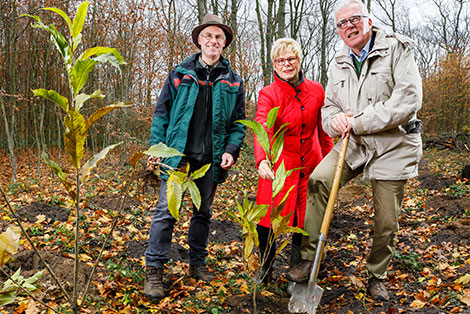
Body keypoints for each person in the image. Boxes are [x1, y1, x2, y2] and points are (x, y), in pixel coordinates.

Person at [286, 0, 422, 302]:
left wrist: (357, 122)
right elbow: (330, 107)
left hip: (393, 144)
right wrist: (333, 120)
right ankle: (310, 259)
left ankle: (376, 275)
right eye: (342, 23)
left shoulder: (398, 49)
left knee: (386, 218)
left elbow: (407, 100)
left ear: (369, 21)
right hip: (354, 143)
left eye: (355, 19)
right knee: (319, 180)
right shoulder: (338, 62)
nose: (349, 26)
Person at [143, 13, 246, 300]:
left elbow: (239, 124)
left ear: (224, 44)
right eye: (208, 36)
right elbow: (161, 115)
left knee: (203, 213)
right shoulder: (179, 74)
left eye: (219, 37)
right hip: (177, 158)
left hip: (210, 160)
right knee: (166, 211)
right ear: (199, 40)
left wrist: (230, 150)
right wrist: (156, 150)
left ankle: (197, 264)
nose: (213, 41)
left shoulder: (234, 81)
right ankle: (154, 269)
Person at [254, 38, 333, 284]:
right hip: (279, 167)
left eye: (291, 59)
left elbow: (324, 131)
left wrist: (330, 163)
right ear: (274, 65)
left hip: (311, 164)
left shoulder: (317, 90)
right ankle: (265, 271)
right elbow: (261, 126)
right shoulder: (268, 93)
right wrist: (262, 160)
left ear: (299, 61)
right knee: (267, 220)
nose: (286, 64)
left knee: (305, 221)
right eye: (281, 60)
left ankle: (297, 273)